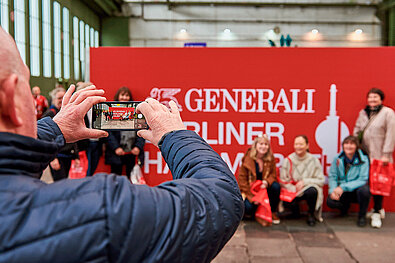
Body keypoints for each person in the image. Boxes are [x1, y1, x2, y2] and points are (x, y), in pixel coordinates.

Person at [0, 27, 243, 262]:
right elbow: (221, 198)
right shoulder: (102, 211)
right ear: (10, 96)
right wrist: (175, 135)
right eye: (26, 83)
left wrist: (54, 129)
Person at [353, 88, 395, 228]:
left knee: (379, 184)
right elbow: (357, 129)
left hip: (380, 155)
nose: (372, 100)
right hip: (365, 155)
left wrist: (386, 154)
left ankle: (377, 211)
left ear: (381, 99)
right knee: (368, 183)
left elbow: (391, 134)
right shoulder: (363, 113)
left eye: (375, 97)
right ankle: (372, 209)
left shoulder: (388, 113)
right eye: (370, 97)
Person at [280, 135, 325, 226]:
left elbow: (321, 180)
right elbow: (283, 180)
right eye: (296, 144)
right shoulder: (288, 160)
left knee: (312, 191)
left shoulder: (314, 160)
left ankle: (311, 214)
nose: (298, 147)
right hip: (293, 190)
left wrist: (305, 182)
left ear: (307, 145)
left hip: (307, 189)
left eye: (301, 144)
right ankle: (295, 212)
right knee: (286, 200)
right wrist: (293, 189)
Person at [327, 136, 370, 227]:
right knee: (330, 201)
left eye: (352, 144)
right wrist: (333, 191)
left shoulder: (364, 160)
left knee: (365, 191)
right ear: (343, 146)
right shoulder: (337, 159)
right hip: (342, 190)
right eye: (346, 143)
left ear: (356, 146)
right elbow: (333, 176)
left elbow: (363, 179)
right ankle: (344, 208)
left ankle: (362, 216)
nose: (349, 146)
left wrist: (343, 187)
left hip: (356, 190)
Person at [238, 134, 281, 226]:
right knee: (248, 207)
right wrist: (252, 197)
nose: (263, 146)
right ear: (256, 145)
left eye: (266, 144)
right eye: (261, 144)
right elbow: (242, 181)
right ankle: (255, 212)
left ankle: (273, 212)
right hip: (251, 190)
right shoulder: (248, 159)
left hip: (264, 189)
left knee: (276, 186)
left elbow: (273, 175)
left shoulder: (270, 158)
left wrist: (267, 182)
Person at [105, 87, 145, 176]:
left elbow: (142, 130)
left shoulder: (136, 111)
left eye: (127, 95)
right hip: (116, 152)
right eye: (122, 95)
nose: (124, 98)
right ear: (118, 96)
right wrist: (116, 147)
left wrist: (138, 147)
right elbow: (108, 133)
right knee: (115, 179)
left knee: (130, 178)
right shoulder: (111, 111)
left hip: (131, 152)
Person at [42, 87, 79, 181]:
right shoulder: (49, 114)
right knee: (59, 182)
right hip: (57, 157)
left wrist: (76, 155)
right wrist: (52, 159)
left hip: (68, 155)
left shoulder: (68, 114)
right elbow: (45, 139)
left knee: (65, 180)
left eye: (64, 97)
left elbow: (73, 135)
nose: (62, 100)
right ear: (53, 99)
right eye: (59, 98)